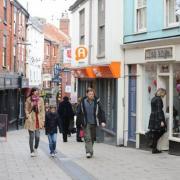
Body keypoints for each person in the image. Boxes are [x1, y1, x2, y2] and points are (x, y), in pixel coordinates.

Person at [77, 88, 106, 158]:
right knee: (88, 137)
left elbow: (101, 112)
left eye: (92, 94)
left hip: (94, 122)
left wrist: (103, 121)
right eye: (90, 94)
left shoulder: (97, 102)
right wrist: (78, 123)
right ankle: (88, 152)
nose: (91, 95)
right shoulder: (83, 102)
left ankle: (90, 150)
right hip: (85, 123)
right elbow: (79, 113)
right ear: (87, 94)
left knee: (92, 138)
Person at [25, 88, 45, 157]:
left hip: (38, 119)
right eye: (36, 91)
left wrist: (43, 119)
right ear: (33, 92)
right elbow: (26, 109)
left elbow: (42, 110)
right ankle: (32, 151)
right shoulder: (28, 99)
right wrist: (28, 116)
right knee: (31, 136)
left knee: (37, 136)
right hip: (31, 119)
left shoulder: (41, 99)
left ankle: (35, 147)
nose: (37, 92)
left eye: (38, 91)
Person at [148, 88, 167, 154]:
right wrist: (161, 120)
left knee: (156, 132)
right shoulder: (159, 99)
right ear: (162, 93)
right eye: (164, 93)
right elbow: (159, 110)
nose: (164, 95)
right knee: (163, 130)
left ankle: (154, 147)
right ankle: (153, 145)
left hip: (153, 116)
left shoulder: (153, 98)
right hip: (158, 117)